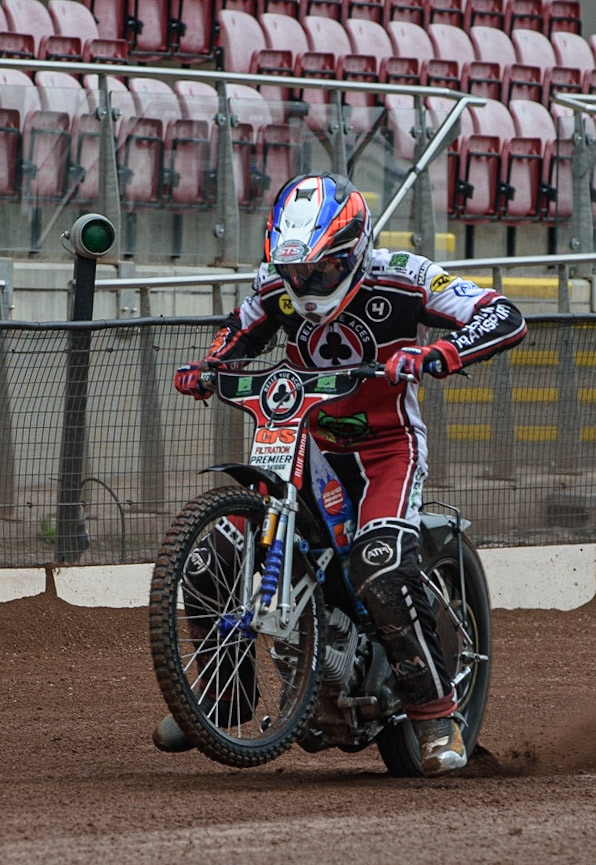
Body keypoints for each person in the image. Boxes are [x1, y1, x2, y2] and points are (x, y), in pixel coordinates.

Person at [154, 171, 527, 775]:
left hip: (387, 449)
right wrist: (209, 364)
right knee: (209, 555)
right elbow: (238, 330)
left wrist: (439, 353)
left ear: (354, 249)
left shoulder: (404, 275)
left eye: (321, 270)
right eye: (297, 272)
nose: (306, 284)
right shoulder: (276, 285)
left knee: (378, 567)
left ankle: (437, 718)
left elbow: (501, 315)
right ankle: (222, 702)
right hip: (307, 440)